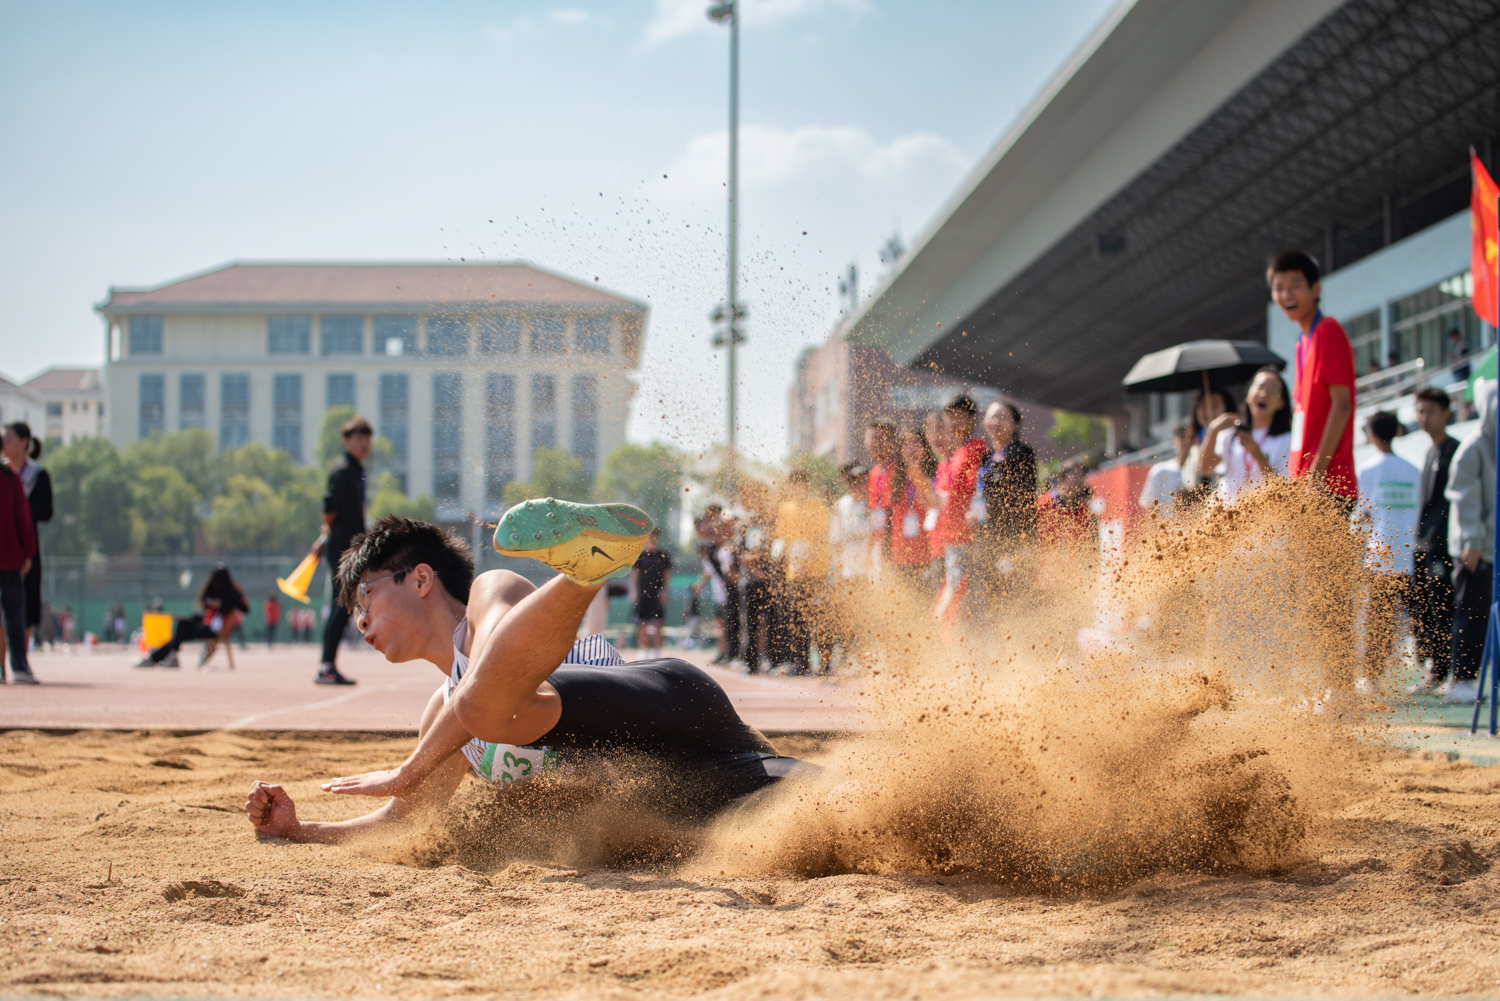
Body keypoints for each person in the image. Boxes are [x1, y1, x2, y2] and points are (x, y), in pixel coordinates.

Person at [245, 504, 811, 843]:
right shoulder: (442, 715)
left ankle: (589, 567)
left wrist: (409, 766)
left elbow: (490, 686)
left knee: (488, 706)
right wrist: (301, 830)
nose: (361, 620)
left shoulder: (492, 594)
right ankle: (590, 564)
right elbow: (402, 819)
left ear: (421, 580)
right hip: (683, 786)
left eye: (365, 596)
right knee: (828, 802)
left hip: (665, 707)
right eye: (352, 613)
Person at [1269, 250, 1356, 504]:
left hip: (1327, 485)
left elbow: (1342, 404)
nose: (1286, 295)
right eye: (1278, 288)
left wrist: (1316, 475)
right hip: (1306, 485)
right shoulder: (1302, 342)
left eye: (1295, 286)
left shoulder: (1328, 330)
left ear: (1315, 290)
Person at [1355, 411, 1420, 684]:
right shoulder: (1413, 469)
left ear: (1370, 435)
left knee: (1378, 618)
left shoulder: (1367, 469)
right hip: (1408, 553)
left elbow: (1363, 512)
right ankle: (1433, 669)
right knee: (1418, 618)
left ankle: (1372, 676)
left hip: (1380, 555)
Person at [1443, 385, 1496, 704]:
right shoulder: (1475, 446)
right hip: (1475, 549)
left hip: (1493, 547)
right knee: (1471, 615)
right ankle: (1461, 679)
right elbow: (1464, 498)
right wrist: (1473, 541)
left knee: (1491, 618)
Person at [1409, 388, 1460, 693]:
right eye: (1420, 411)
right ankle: (1436, 670)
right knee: (1426, 610)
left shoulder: (1455, 451)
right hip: (1423, 543)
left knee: (1444, 609)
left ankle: (1450, 673)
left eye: (1430, 411)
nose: (1424, 417)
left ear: (1446, 413)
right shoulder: (1429, 451)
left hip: (1443, 545)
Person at [316, 416, 373, 685]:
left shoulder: (355, 469)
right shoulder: (342, 470)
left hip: (349, 546)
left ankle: (327, 665)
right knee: (340, 605)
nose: (363, 444)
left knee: (343, 604)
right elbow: (329, 509)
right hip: (342, 548)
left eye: (366, 439)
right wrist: (327, 534)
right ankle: (326, 666)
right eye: (358, 438)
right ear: (346, 441)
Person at [930, 394, 990, 617]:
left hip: (967, 539)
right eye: (949, 417)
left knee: (967, 600)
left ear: (972, 418)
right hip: (950, 539)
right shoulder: (955, 453)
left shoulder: (977, 448)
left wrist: (977, 534)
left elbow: (979, 491)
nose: (953, 422)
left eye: (959, 416)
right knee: (956, 598)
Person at [971, 399, 1037, 596]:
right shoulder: (986, 458)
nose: (996, 422)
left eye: (1002, 417)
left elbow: (1018, 499)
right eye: (992, 417)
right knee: (991, 599)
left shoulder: (1022, 454)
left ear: (1015, 424)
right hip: (987, 540)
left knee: (1012, 598)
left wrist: (1016, 548)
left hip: (1013, 541)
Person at [1197, 367, 1293, 502]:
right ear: (1248, 395)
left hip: (1263, 517)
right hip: (1226, 514)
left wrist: (1258, 455)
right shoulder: (1230, 434)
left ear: (1281, 403)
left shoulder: (1287, 440)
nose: (1264, 394)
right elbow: (1204, 469)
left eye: (1272, 390)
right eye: (1260, 387)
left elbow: (1282, 490)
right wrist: (1213, 431)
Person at [0, 424, 51, 665]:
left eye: (10, 438)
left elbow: (46, 511)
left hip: (21, 547)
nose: (6, 443)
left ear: (24, 442)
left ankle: (20, 660)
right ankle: (5, 663)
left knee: (25, 606)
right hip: (8, 549)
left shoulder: (35, 475)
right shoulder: (6, 475)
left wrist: (16, 508)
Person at [134, 564, 249, 668]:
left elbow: (244, 608)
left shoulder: (233, 591)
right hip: (207, 621)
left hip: (216, 628)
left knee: (181, 630)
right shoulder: (213, 588)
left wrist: (221, 604)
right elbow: (204, 603)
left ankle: (156, 657)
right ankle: (164, 656)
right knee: (182, 625)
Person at [0, 457, 36, 684]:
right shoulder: (10, 477)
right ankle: (20, 667)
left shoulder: (10, 477)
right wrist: (27, 551)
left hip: (9, 555)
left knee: (14, 613)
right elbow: (23, 516)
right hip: (9, 554)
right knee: (14, 614)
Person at [890, 428, 939, 593]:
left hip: (926, 554)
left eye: (916, 444)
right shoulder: (897, 480)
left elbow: (935, 506)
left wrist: (918, 474)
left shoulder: (933, 476)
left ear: (925, 448)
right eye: (906, 445)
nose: (911, 449)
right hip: (901, 555)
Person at [1181, 388, 1232, 496]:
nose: (1208, 410)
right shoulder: (1194, 440)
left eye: (1215, 405)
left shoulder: (1232, 438)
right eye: (1203, 405)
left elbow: (1207, 469)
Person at [631, 529, 672, 659]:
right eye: (650, 537)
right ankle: (643, 650)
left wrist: (665, 591)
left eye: (654, 536)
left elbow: (666, 576)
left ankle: (657, 651)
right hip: (643, 594)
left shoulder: (663, 555)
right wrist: (633, 591)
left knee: (657, 623)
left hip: (657, 594)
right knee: (642, 623)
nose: (652, 539)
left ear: (657, 538)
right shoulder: (640, 556)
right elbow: (635, 575)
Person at [1140, 421, 1193, 515]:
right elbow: (1150, 508)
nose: (1185, 441)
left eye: (1190, 437)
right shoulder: (1160, 471)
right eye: (1181, 436)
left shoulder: (1203, 472)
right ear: (1174, 440)